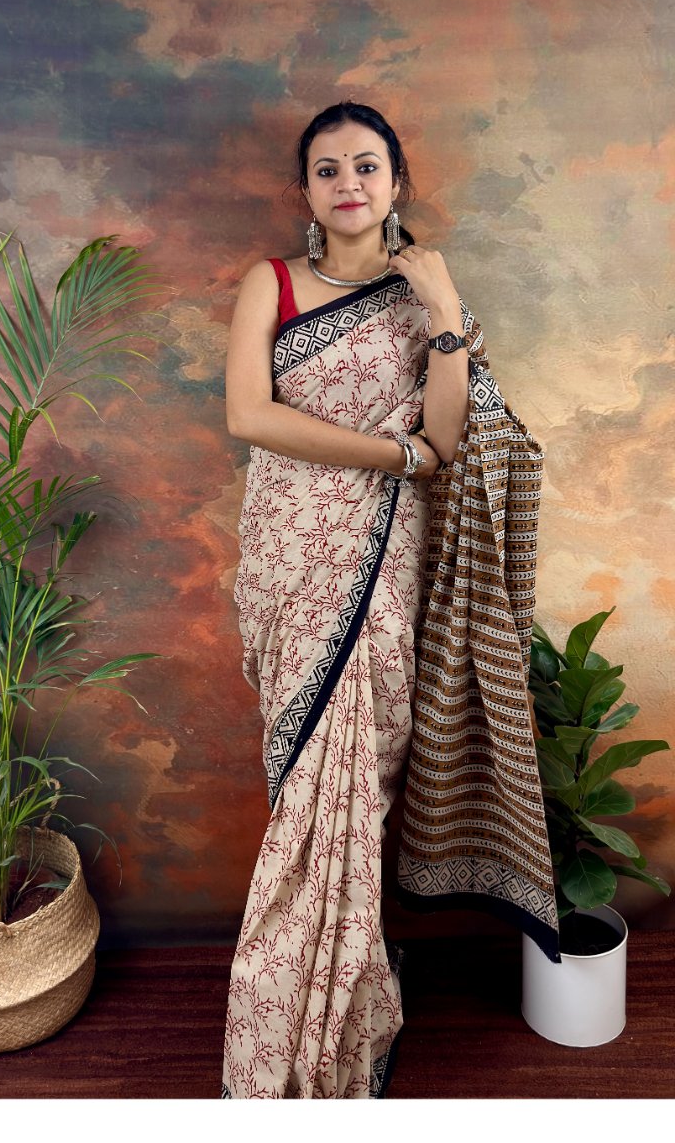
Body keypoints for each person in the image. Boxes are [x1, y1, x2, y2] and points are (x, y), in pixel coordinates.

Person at [220, 100, 552, 1100]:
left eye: (366, 165)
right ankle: (284, 1040)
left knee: (358, 791)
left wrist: (443, 309)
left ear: (396, 182)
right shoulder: (271, 282)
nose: (348, 183)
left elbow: (444, 442)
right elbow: (249, 415)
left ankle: (348, 997)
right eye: (327, 169)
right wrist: (389, 455)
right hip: (291, 560)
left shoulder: (423, 297)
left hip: (384, 563)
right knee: (308, 792)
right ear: (305, 190)